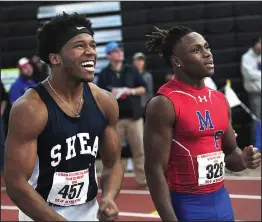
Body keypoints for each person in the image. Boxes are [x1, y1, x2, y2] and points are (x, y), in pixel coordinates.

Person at [4, 12, 124, 221]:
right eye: (79, 46)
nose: (90, 52)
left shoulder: (104, 102)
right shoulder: (31, 108)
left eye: (92, 45)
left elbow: (113, 164)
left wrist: (109, 198)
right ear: (55, 58)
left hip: (88, 210)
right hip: (39, 212)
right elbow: (15, 183)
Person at [143, 25, 261, 221]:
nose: (207, 54)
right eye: (197, 50)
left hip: (221, 202)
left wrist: (245, 160)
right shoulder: (164, 103)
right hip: (186, 205)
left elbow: (231, 154)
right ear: (176, 61)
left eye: (207, 47)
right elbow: (154, 169)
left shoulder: (220, 99)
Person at [97, 42, 148, 189]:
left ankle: (143, 181)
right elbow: (98, 95)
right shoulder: (105, 74)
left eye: (120, 50)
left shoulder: (131, 69)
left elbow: (144, 88)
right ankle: (113, 182)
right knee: (113, 152)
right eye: (115, 51)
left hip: (134, 118)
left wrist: (128, 91)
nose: (119, 52)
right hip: (115, 120)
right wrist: (109, 94)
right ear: (108, 55)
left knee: (139, 151)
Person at [241, 36, 261, 143]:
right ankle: (257, 145)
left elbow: (255, 75)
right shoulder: (246, 58)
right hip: (255, 94)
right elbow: (249, 75)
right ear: (255, 44)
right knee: (257, 120)